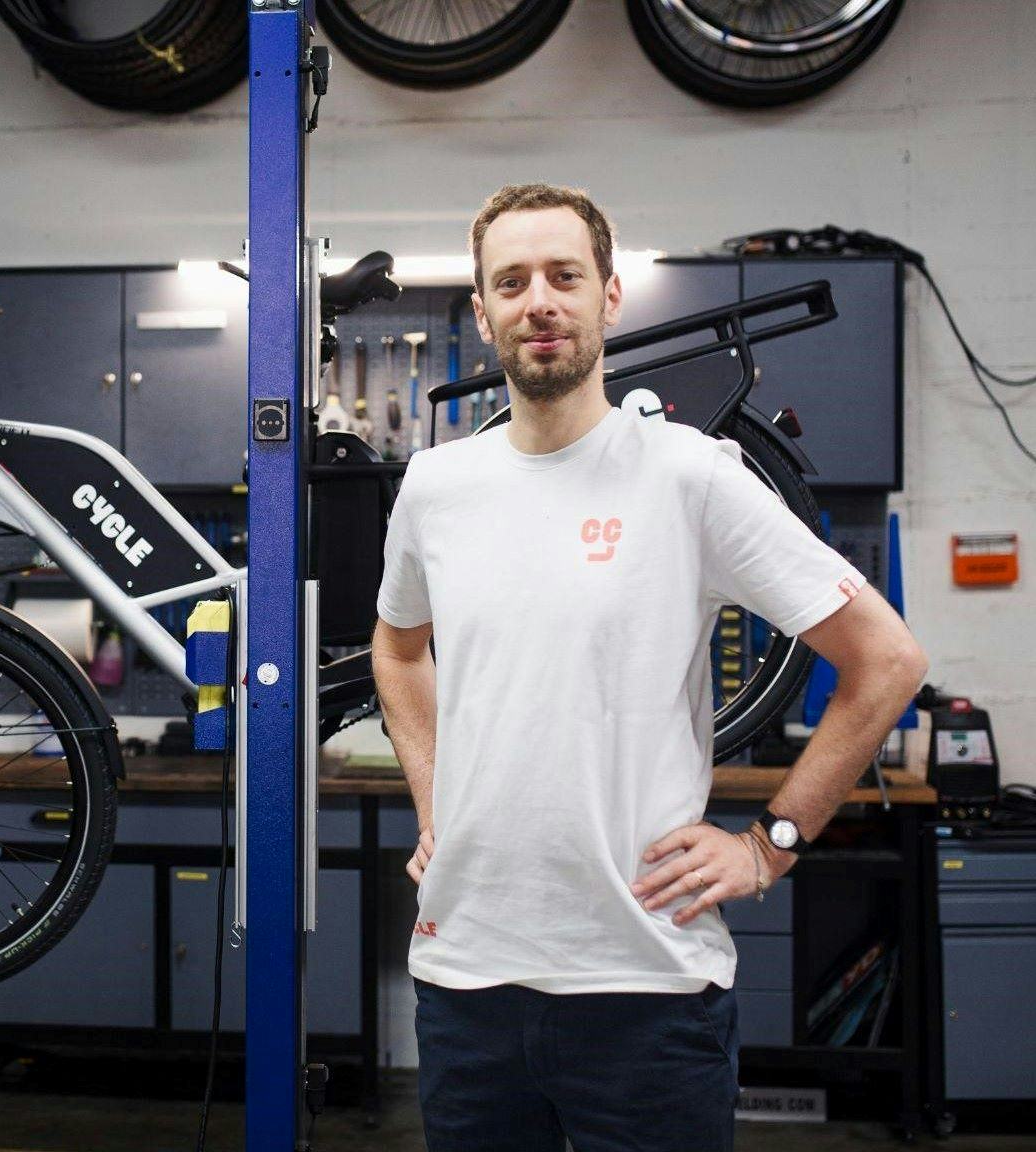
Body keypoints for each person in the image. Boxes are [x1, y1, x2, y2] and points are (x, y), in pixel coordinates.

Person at [371, 183, 929, 1151]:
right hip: (466, 988)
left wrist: (768, 846)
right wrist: (434, 801)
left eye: (562, 276)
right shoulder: (437, 486)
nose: (538, 300)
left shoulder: (688, 474)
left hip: (644, 993)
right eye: (511, 281)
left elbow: (885, 659)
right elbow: (397, 645)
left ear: (609, 297)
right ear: (482, 312)